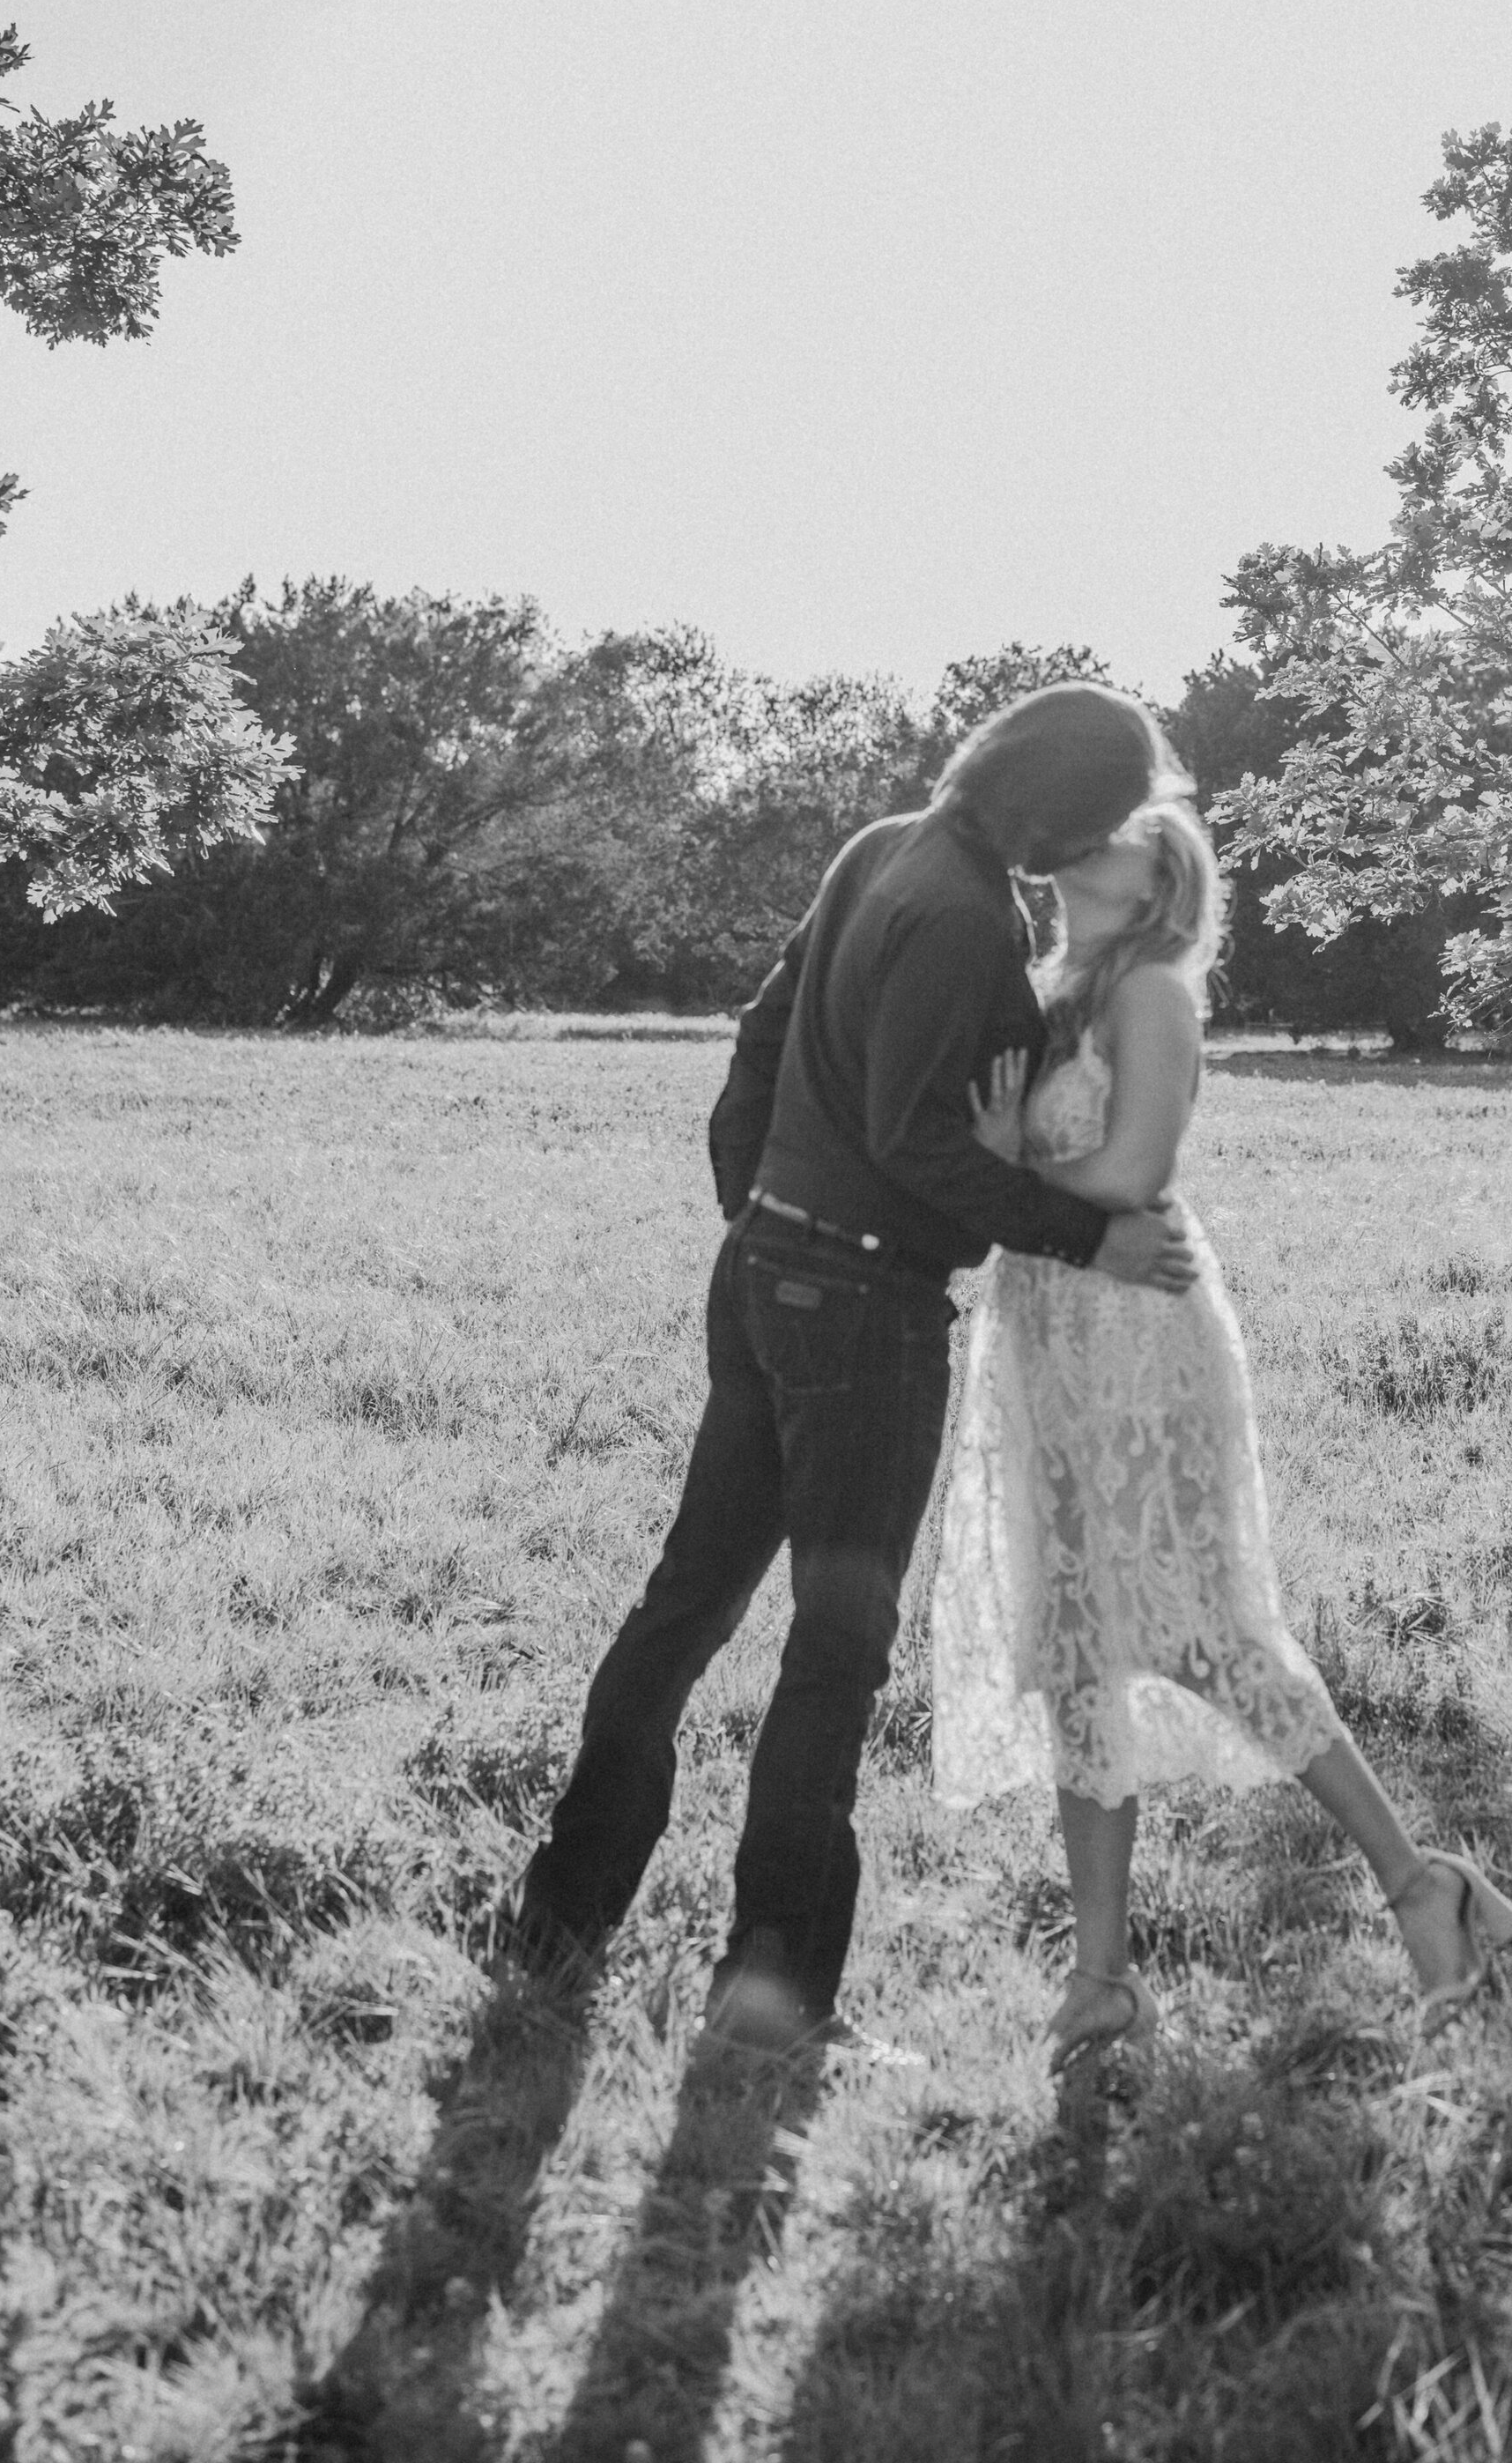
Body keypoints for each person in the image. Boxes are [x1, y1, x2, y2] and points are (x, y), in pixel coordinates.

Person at [503, 684, 1199, 2054]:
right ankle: (775, 1992)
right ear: (1060, 805)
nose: (1116, 831)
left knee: (687, 1602)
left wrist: (756, 1207)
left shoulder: (884, 844)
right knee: (837, 1650)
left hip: (770, 1273)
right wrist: (1086, 1235)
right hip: (862, 1315)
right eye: (1110, 806)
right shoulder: (958, 915)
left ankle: (557, 1922)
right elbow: (918, 1142)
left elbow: (761, 1039)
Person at [930, 793, 1512, 2062]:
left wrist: (1001, 1171)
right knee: (1076, 1643)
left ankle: (1426, 1888)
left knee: (1203, 1633)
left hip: (1142, 1338)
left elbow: (1134, 1177)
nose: (1077, 842)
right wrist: (997, 1168)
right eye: (1076, 829)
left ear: (1158, 877)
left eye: (1110, 831)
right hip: (1046, 1329)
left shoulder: (1152, 992)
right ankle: (1102, 1987)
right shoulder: (1058, 991)